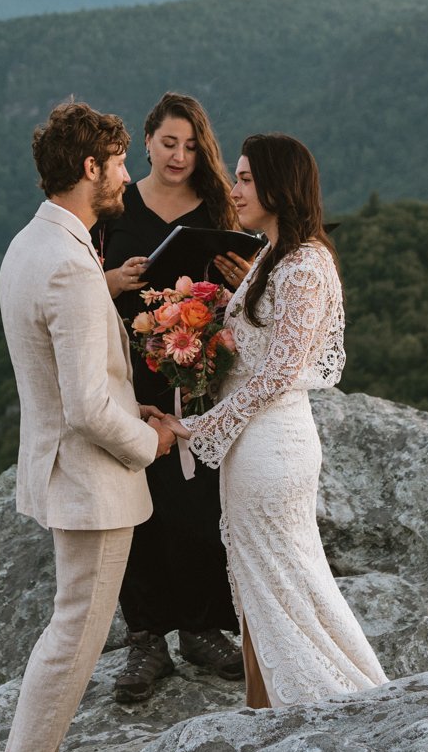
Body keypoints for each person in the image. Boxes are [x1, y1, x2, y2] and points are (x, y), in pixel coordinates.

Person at [0, 102, 178, 752]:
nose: (128, 175)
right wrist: (151, 442)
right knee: (76, 632)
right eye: (120, 162)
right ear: (89, 169)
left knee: (70, 625)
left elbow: (61, 318)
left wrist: (111, 287)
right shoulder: (69, 265)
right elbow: (88, 408)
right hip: (90, 481)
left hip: (56, 468)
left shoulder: (34, 244)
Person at [153, 133, 387, 708]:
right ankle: (263, 705)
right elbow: (261, 344)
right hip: (252, 447)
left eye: (246, 179)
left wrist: (198, 428)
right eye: (237, 177)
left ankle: (328, 697)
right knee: (257, 582)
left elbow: (278, 374)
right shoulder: (271, 255)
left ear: (281, 186)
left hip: (274, 448)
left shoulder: (305, 263)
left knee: (284, 577)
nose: (234, 190)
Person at [92, 93, 248, 703]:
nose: (179, 155)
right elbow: (75, 282)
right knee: (137, 497)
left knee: (199, 494)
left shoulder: (216, 206)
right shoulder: (115, 206)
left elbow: (244, 291)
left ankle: (202, 627)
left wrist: (238, 281)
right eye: (167, 143)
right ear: (149, 143)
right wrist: (113, 281)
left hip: (199, 367)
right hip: (128, 371)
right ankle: (146, 635)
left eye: (190, 145)